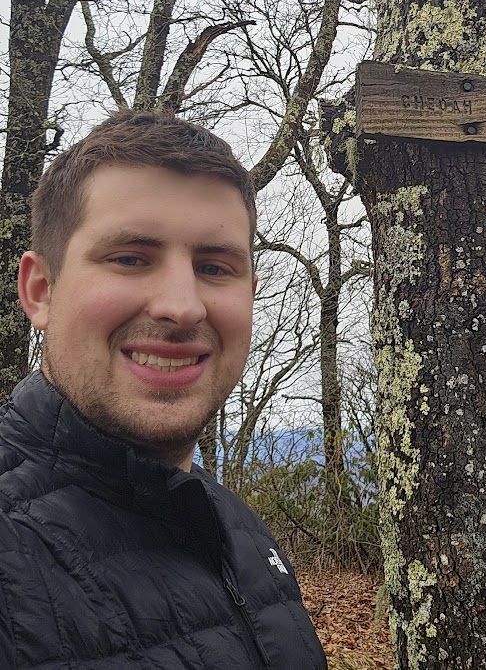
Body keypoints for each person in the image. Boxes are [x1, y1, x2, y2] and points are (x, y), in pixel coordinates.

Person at [0, 110, 327, 670]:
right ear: (40, 290)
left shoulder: (235, 526)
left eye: (216, 267)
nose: (181, 306)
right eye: (130, 258)